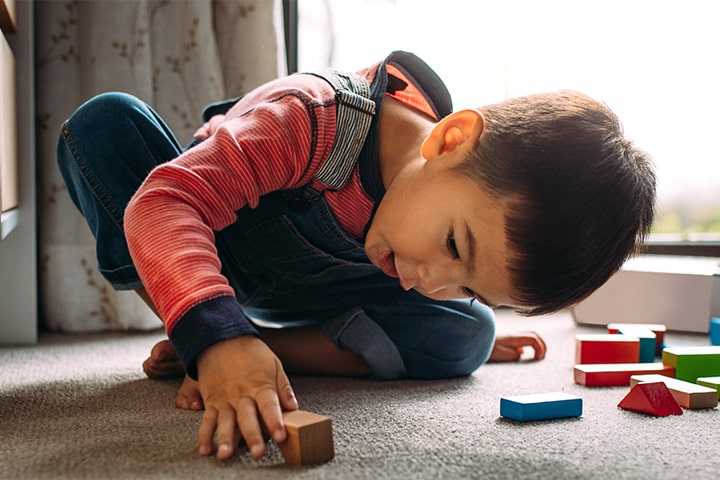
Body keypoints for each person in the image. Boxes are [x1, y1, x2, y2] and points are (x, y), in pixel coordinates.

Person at [56, 51, 655, 461]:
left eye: (468, 283)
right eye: (454, 246)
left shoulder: (421, 238)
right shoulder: (313, 121)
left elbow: (440, 290)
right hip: (218, 247)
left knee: (466, 337)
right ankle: (209, 330)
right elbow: (167, 202)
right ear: (449, 141)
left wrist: (472, 318)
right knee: (104, 125)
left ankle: (264, 346)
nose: (430, 280)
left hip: (325, 290)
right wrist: (215, 334)